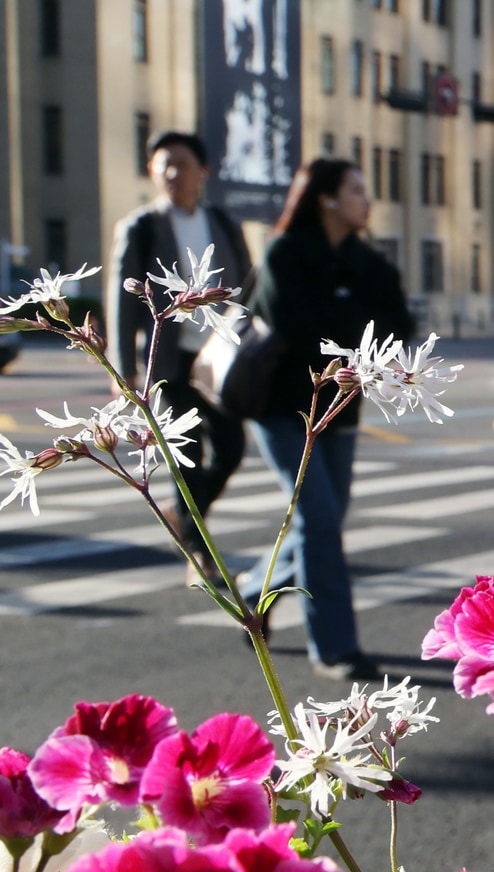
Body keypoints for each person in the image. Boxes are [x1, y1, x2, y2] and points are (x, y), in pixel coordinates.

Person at [238, 158, 413, 680]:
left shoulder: (373, 265)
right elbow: (296, 328)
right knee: (318, 518)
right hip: (280, 407)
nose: (367, 199)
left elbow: (398, 328)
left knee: (325, 518)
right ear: (327, 198)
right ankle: (335, 649)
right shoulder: (286, 252)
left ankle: (252, 593)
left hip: (342, 409)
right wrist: (358, 338)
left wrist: (364, 346)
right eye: (356, 189)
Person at [108, 131, 254, 586]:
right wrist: (123, 368)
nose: (172, 173)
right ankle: (199, 554)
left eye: (181, 163)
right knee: (186, 454)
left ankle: (183, 516)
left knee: (230, 449)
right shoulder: (142, 226)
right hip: (167, 362)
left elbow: (247, 287)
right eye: (162, 164)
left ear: (203, 170)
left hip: (217, 358)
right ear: (153, 171)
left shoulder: (224, 223)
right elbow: (121, 299)